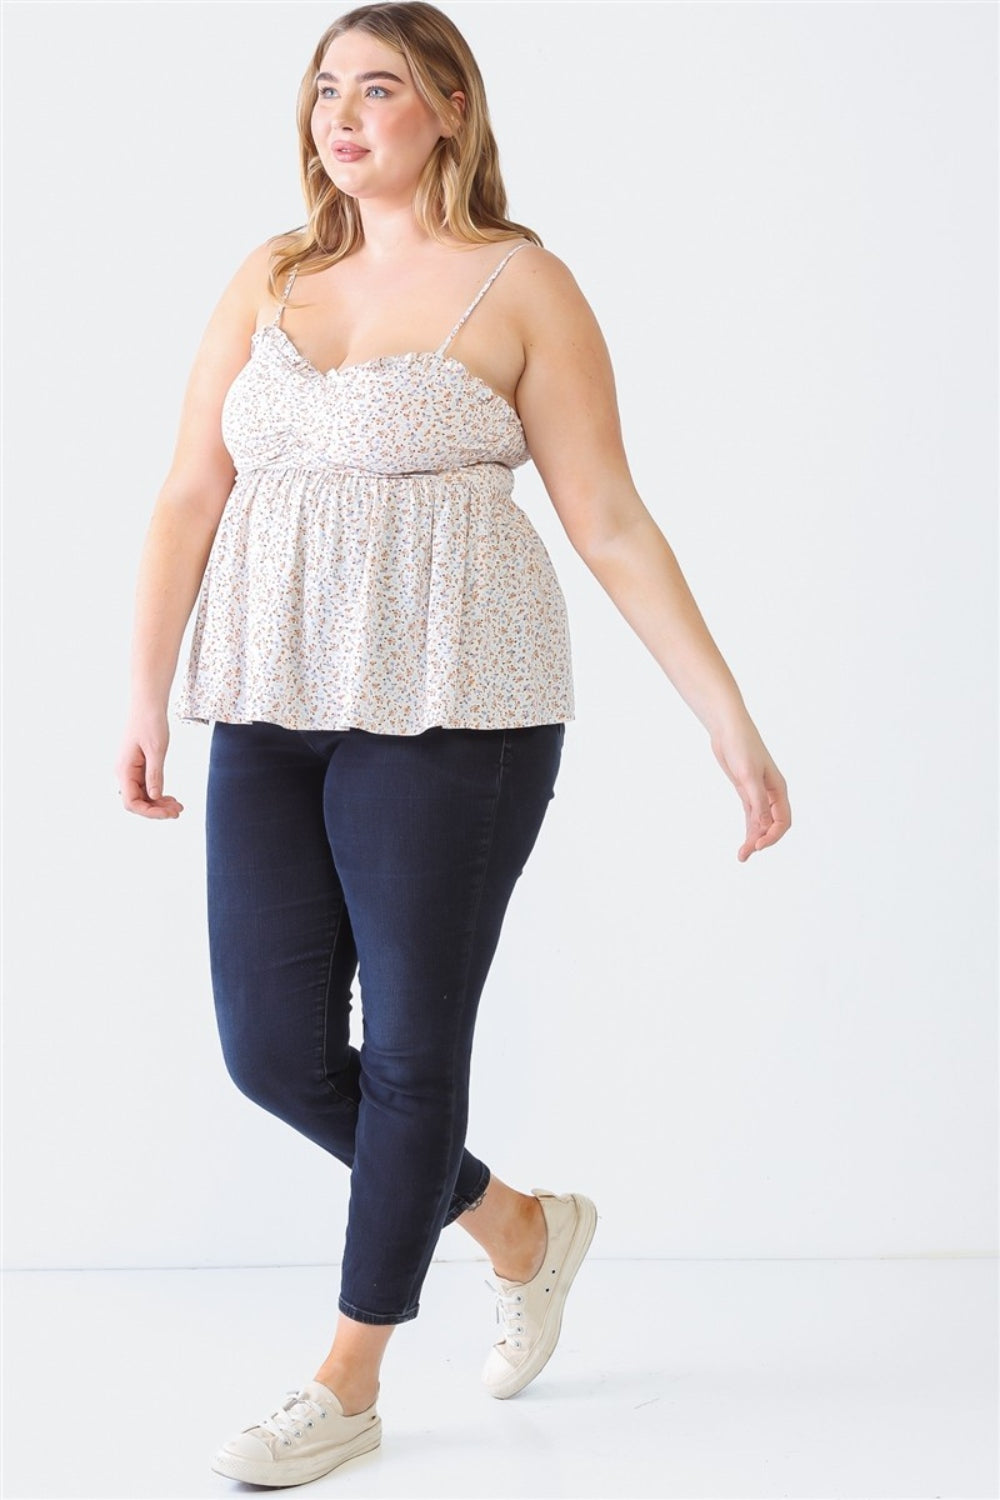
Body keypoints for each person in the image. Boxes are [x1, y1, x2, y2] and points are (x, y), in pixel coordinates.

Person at [114, 0, 791, 1487]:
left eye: (379, 90)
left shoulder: (522, 284)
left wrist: (728, 722)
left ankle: (346, 1379)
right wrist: (144, 692)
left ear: (448, 113)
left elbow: (608, 520)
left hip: (458, 706)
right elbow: (184, 494)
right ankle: (521, 1230)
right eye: (323, 92)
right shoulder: (272, 275)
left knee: (416, 1051)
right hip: (270, 700)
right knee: (274, 1054)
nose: (340, 118)